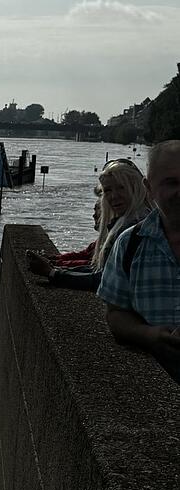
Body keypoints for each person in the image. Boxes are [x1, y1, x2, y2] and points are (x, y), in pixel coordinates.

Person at [98, 141, 180, 367]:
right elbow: (115, 313)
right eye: (171, 183)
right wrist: (149, 335)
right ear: (149, 188)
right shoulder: (129, 243)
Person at [28, 159, 150, 290]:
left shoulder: (134, 228)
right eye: (108, 190)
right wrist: (56, 268)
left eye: (121, 188)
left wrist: (52, 272)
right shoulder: (132, 220)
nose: (114, 196)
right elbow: (99, 269)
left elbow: (103, 280)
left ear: (136, 187)